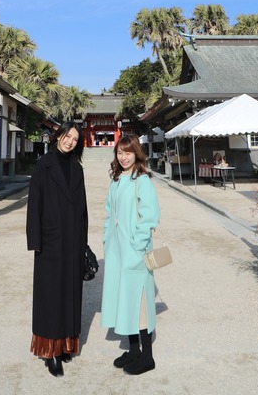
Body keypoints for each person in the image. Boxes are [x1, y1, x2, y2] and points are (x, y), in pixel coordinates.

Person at [26, 121, 88, 378]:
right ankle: (50, 351)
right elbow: (34, 206)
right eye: (67, 136)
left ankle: (65, 344)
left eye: (75, 138)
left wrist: (83, 243)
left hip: (72, 241)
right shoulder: (43, 165)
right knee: (51, 296)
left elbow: (83, 209)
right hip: (51, 241)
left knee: (69, 293)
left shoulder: (77, 167)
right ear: (57, 136)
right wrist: (36, 242)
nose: (70, 141)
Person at [101, 134, 160, 375]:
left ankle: (147, 356)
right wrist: (107, 239)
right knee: (123, 298)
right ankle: (133, 350)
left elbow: (150, 216)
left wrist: (137, 245)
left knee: (140, 302)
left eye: (128, 152)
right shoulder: (116, 179)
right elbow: (108, 211)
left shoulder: (142, 180)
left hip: (135, 249)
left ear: (137, 153)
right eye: (120, 152)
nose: (123, 157)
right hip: (117, 250)